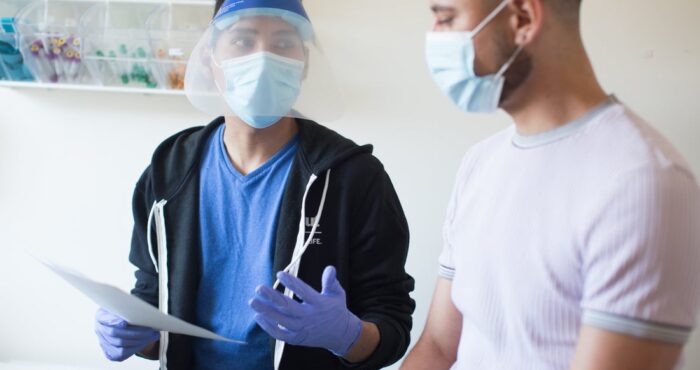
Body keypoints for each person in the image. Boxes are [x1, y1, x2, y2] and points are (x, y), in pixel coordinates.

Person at [93, 1, 415, 369]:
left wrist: (347, 335)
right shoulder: (170, 169)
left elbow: (392, 326)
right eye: (243, 42)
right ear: (208, 59)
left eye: (282, 44)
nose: (263, 59)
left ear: (304, 64)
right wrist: (137, 334)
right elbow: (154, 299)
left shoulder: (353, 176)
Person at [402, 0, 700, 369]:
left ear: (522, 19)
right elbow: (437, 347)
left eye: (446, 18)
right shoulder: (480, 163)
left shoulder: (642, 183)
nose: (433, 36)